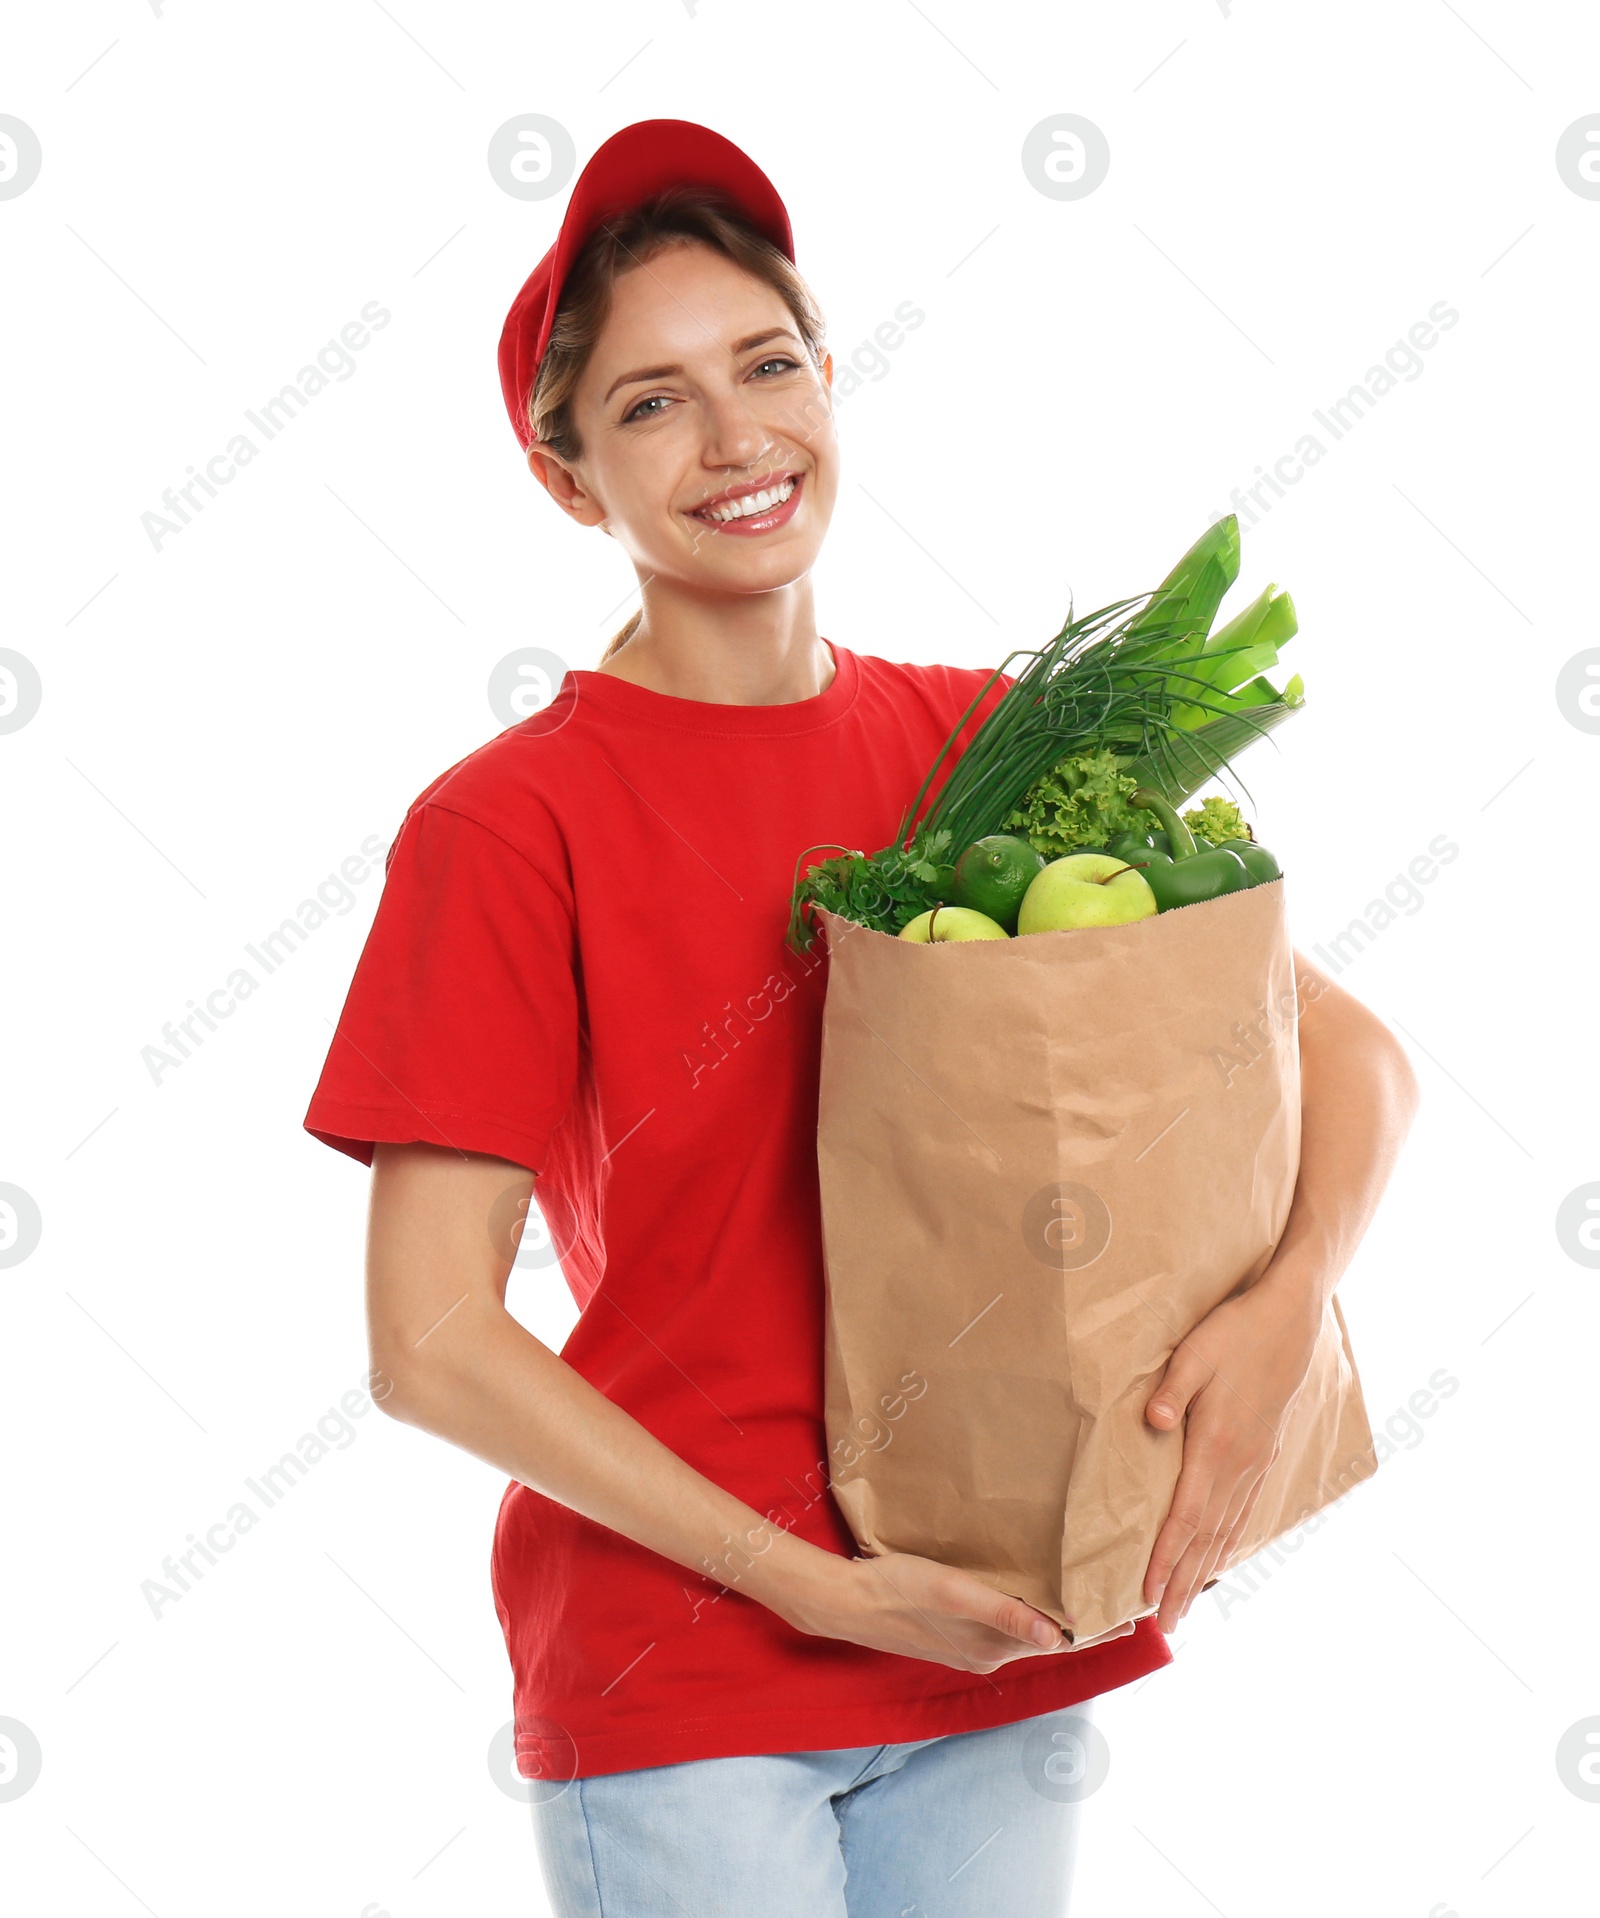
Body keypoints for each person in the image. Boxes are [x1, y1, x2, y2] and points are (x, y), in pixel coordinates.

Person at [302, 119, 1419, 1917]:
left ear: (832, 378)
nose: (736, 436)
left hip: (996, 1631)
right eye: (652, 403)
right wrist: (806, 1581)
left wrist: (1291, 1303)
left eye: (765, 365)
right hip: (691, 1668)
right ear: (567, 475)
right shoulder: (511, 823)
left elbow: (1350, 1055)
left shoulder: (985, 742)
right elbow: (428, 1332)